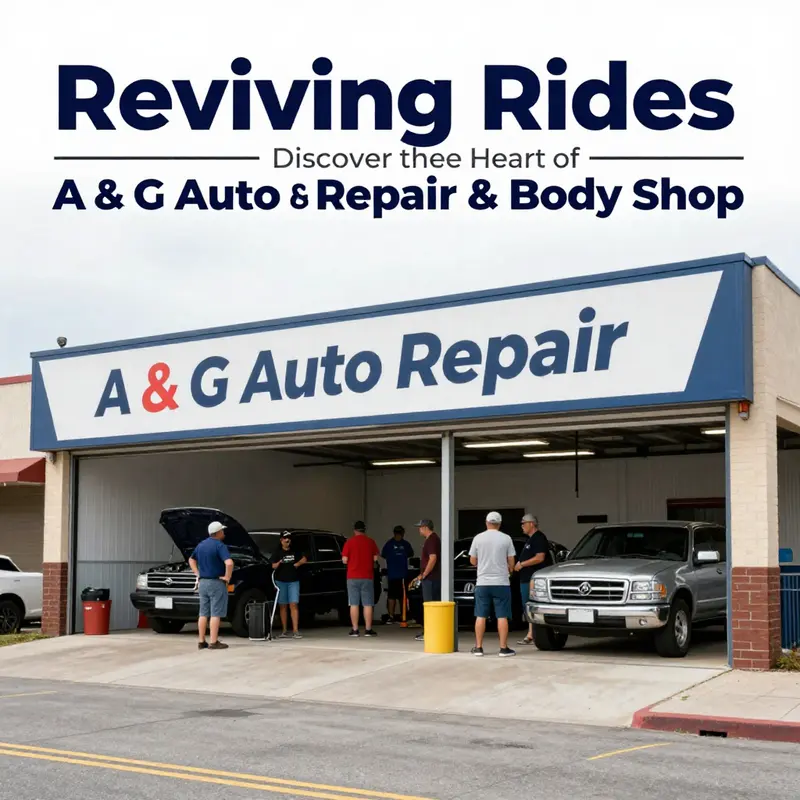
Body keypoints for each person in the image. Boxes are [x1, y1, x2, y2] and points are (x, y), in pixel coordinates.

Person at [468, 511, 516, 657]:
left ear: (487, 522)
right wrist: (510, 571)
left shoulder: (478, 538)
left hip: (483, 582)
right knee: (502, 616)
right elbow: (511, 561)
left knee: (481, 615)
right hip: (501, 582)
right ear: (499, 524)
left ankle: (478, 647)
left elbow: (472, 560)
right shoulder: (506, 538)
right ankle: (503, 648)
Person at [188, 520, 234, 651]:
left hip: (203, 582)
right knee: (215, 613)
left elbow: (191, 559)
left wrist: (197, 573)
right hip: (216, 582)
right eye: (222, 531)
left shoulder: (201, 545)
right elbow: (229, 563)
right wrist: (227, 577)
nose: (224, 533)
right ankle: (214, 642)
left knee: (203, 613)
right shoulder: (220, 545)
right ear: (218, 532)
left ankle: (201, 641)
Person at [515, 514, 553, 645]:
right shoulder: (530, 540)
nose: (522, 526)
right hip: (525, 578)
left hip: (532, 579)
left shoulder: (539, 538)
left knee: (530, 605)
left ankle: (531, 633)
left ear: (531, 524)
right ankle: (530, 633)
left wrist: (522, 564)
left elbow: (539, 557)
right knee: (526, 605)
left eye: (523, 523)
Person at [341, 521, 380, 637]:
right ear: (364, 530)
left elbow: (344, 560)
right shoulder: (370, 542)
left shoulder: (349, 542)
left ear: (354, 530)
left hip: (352, 577)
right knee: (368, 604)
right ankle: (368, 630)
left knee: (354, 604)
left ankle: (355, 630)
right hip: (367, 576)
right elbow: (375, 558)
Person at [270, 531, 308, 639]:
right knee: (282, 606)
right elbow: (273, 566)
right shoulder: (277, 552)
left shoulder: (295, 551)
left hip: (293, 581)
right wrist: (279, 563)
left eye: (289, 538)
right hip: (281, 582)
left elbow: (304, 558)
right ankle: (284, 630)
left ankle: (295, 630)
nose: (287, 540)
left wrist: (297, 564)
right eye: (285, 538)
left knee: (294, 604)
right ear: (281, 540)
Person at [414, 518, 441, 642]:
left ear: (425, 527)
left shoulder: (431, 540)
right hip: (432, 578)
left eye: (420, 527)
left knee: (430, 606)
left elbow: (433, 558)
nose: (419, 530)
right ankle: (430, 631)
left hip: (431, 579)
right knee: (431, 605)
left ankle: (429, 632)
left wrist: (424, 574)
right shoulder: (433, 539)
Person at [381, 525, 414, 623]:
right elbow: (384, 555)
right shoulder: (390, 544)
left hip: (402, 575)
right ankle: (391, 616)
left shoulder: (405, 544)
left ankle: (403, 616)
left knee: (402, 597)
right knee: (392, 597)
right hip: (393, 575)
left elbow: (410, 554)